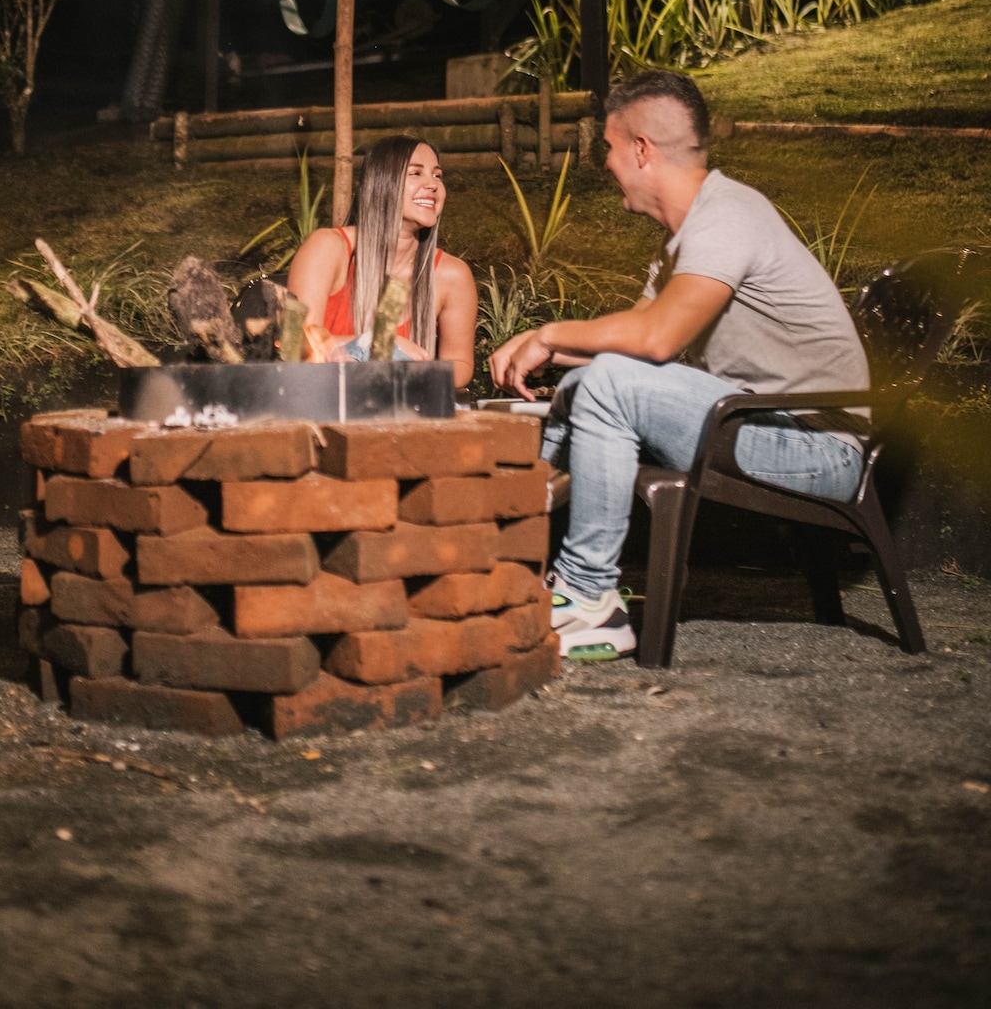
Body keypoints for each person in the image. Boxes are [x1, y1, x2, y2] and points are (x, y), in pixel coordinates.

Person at [490, 69, 869, 662]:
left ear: (641, 149)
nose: (606, 163)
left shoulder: (727, 216)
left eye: (609, 149)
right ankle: (512, 566)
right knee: (585, 383)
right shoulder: (684, 239)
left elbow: (659, 338)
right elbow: (632, 341)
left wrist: (549, 333)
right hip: (757, 425)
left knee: (606, 384)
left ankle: (589, 598)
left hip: (820, 451)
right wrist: (539, 347)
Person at [287, 135, 477, 387]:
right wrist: (375, 344)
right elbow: (294, 341)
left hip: (401, 410)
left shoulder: (451, 275)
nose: (432, 184)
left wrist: (416, 372)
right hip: (321, 403)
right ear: (382, 182)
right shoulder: (327, 247)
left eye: (437, 175)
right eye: (416, 173)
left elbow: (461, 364)